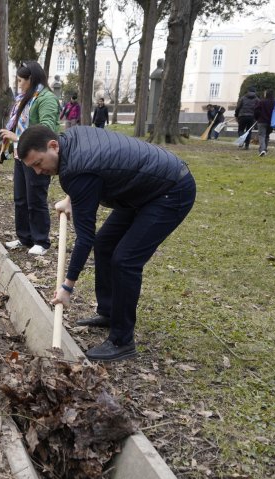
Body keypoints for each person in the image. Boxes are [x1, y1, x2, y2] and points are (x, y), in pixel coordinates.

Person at [17, 124, 196, 362]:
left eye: (38, 164)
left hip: (171, 190)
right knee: (104, 245)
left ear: (53, 146)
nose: (39, 172)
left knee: (125, 260)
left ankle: (122, 341)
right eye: (33, 168)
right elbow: (94, 167)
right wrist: (72, 198)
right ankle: (109, 312)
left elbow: (84, 237)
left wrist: (67, 286)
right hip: (142, 189)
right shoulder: (70, 138)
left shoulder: (76, 172)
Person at [0, 60, 59, 256]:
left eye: (21, 81)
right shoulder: (25, 97)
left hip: (38, 158)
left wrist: (17, 137)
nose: (19, 85)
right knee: (21, 199)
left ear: (31, 79)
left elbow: (47, 128)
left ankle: (41, 240)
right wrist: (9, 142)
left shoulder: (46, 98)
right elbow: (17, 123)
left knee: (36, 199)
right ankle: (24, 237)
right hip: (21, 155)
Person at [253, 90, 275, 157]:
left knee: (261, 135)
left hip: (261, 121)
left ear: (266, 94)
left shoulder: (261, 102)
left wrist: (257, 117)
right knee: (267, 136)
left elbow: (256, 111)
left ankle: (262, 150)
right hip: (271, 122)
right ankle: (264, 149)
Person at [234, 86, 259, 150]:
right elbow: (259, 109)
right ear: (255, 92)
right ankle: (247, 145)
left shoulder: (243, 98)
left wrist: (236, 115)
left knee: (240, 130)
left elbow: (238, 107)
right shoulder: (257, 99)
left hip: (242, 116)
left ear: (248, 91)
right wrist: (257, 117)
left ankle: (242, 141)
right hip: (251, 117)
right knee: (249, 131)